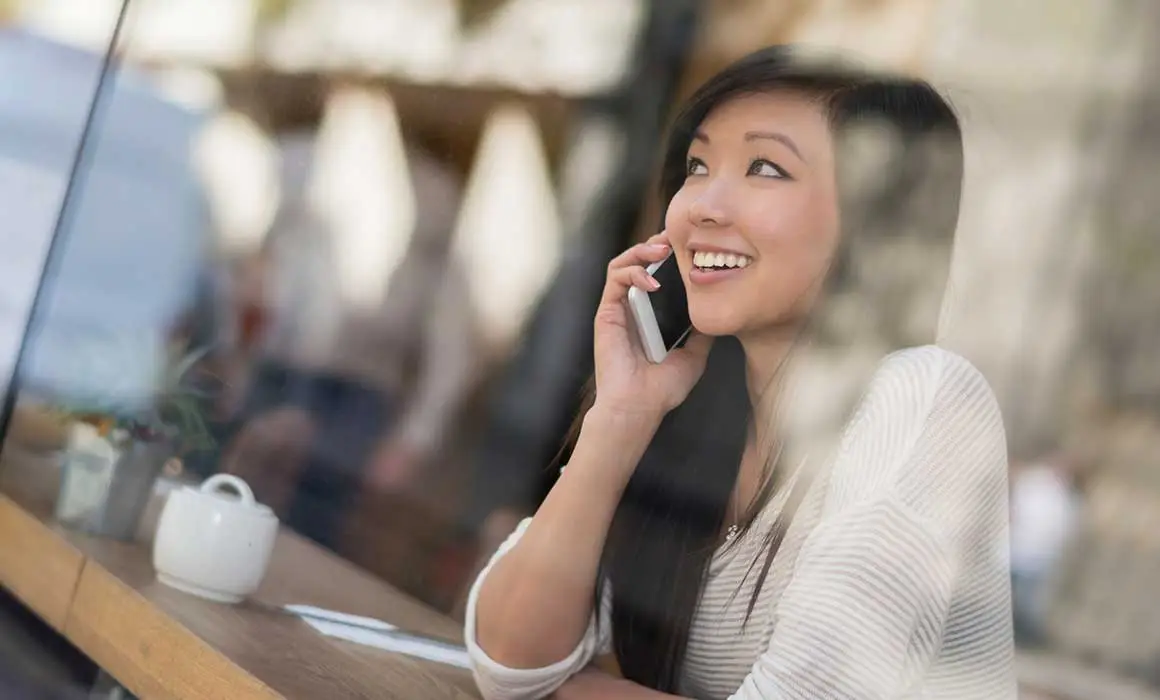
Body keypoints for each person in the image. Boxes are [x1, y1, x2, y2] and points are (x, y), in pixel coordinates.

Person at [464, 46, 1015, 700]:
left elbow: (530, 690)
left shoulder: (925, 397)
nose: (700, 206)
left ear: (879, 223)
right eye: (697, 166)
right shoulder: (699, 416)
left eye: (765, 167)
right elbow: (510, 663)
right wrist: (619, 419)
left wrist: (564, 693)